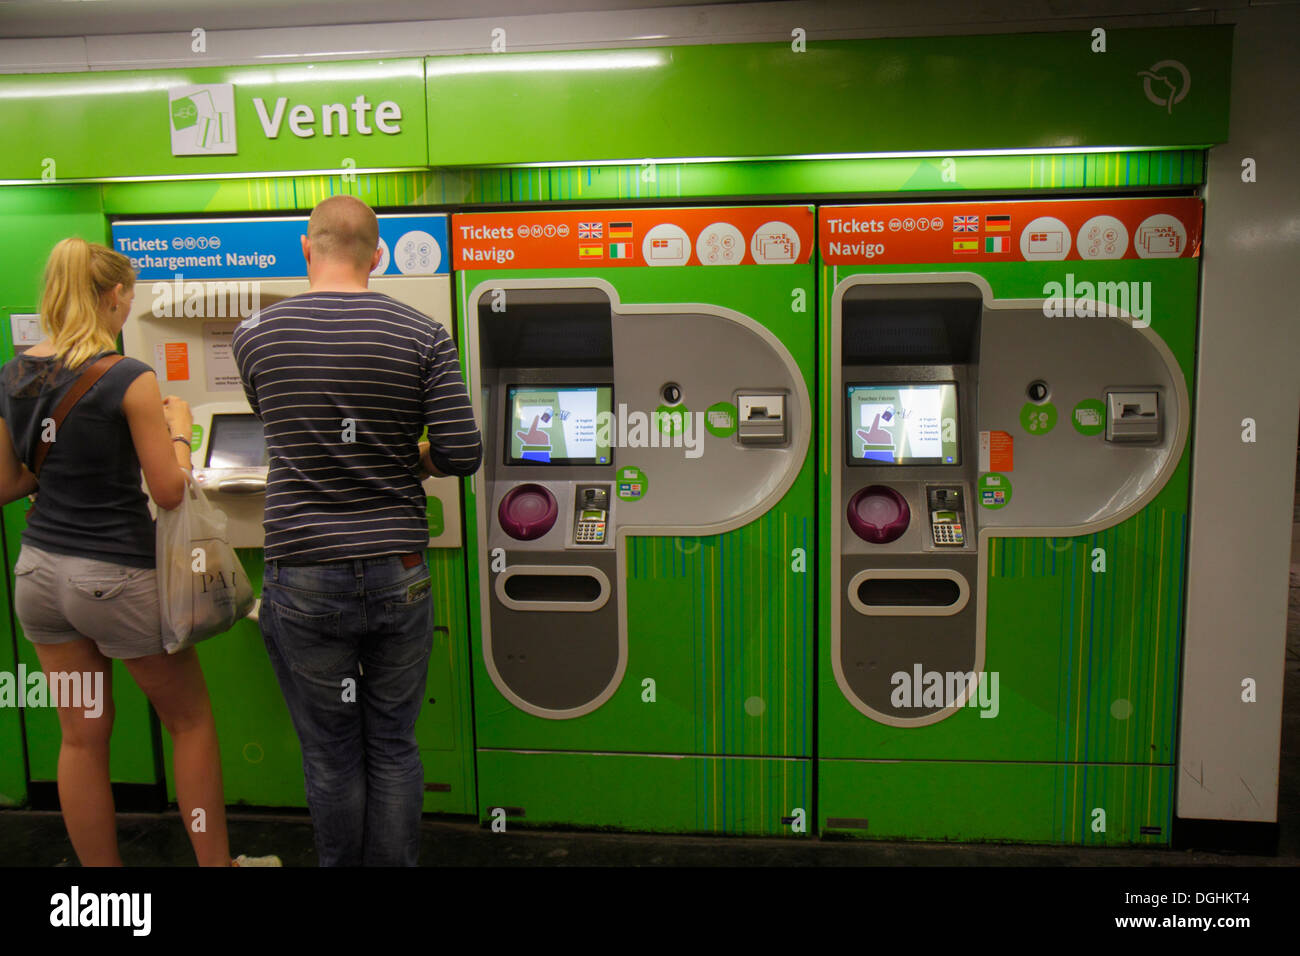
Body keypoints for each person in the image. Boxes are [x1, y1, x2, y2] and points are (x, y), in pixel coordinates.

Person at [0, 238, 275, 867]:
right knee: (190, 724)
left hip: (40, 577)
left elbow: (7, 483)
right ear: (114, 296)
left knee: (81, 739)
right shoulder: (128, 376)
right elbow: (170, 490)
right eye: (126, 296)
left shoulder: (13, 377)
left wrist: (64, 471)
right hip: (116, 580)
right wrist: (180, 431)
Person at [232, 196, 482, 866]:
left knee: (331, 753)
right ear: (378, 255)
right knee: (394, 744)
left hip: (304, 574)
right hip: (396, 569)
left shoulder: (254, 334)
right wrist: (409, 455)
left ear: (305, 249)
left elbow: (281, 431)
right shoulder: (424, 334)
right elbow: (461, 454)